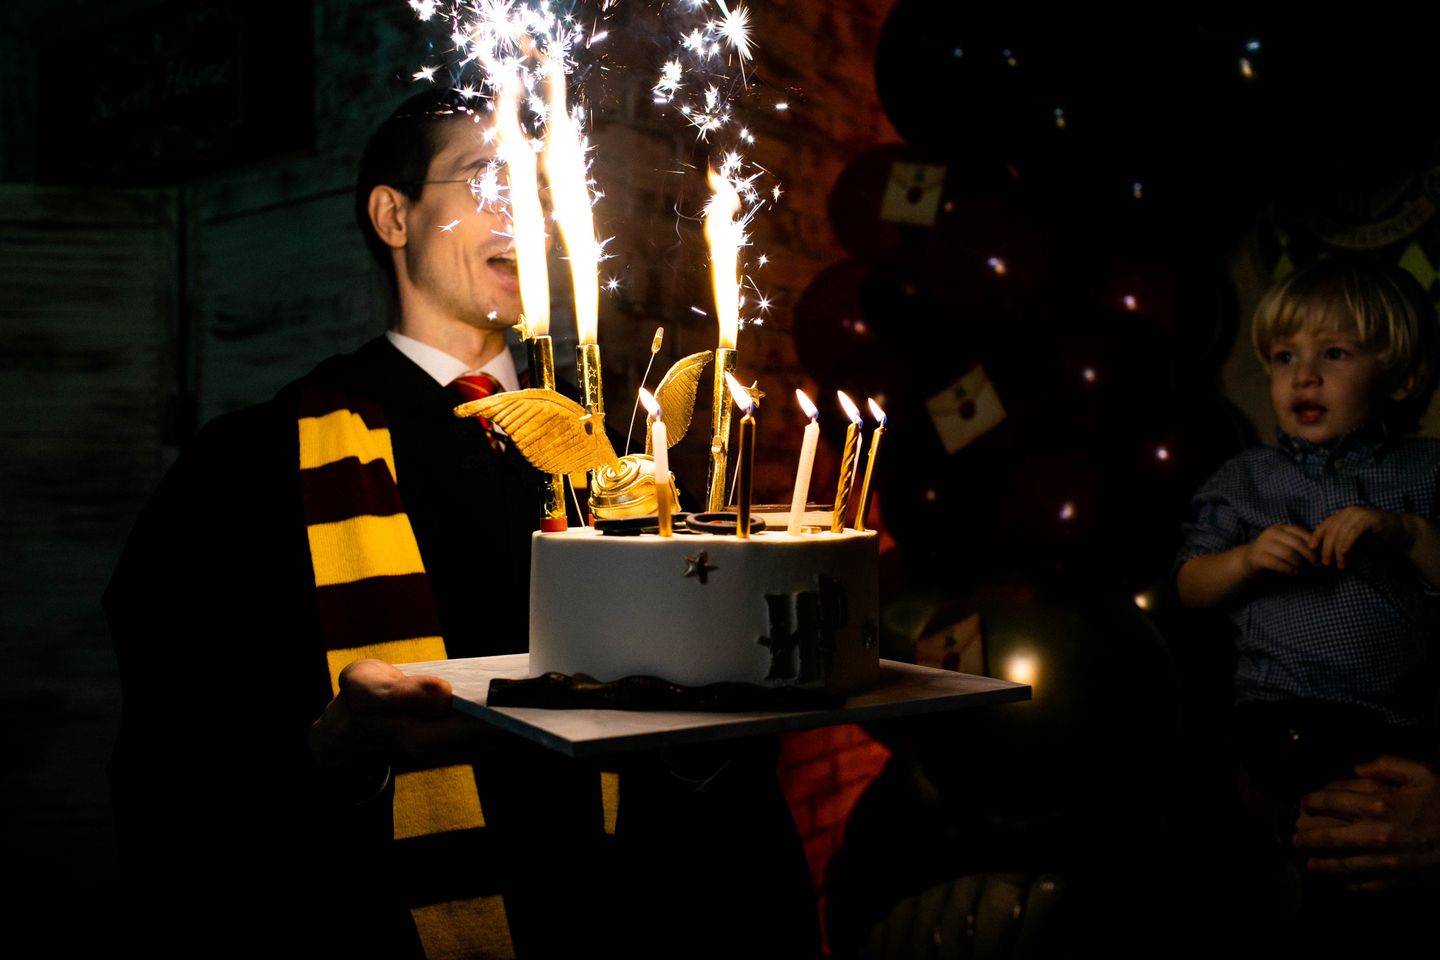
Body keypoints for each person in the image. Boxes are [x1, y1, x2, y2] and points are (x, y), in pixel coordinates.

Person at [105, 88, 606, 958]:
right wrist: (332, 751)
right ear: (393, 216)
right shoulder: (252, 463)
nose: (529, 213)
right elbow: (177, 752)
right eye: (490, 177)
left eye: (540, 187)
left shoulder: (625, 449)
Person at [1174, 255, 1440, 936]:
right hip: (1278, 714)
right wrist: (1244, 560)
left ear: (1403, 379)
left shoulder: (1426, 470)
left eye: (1335, 353)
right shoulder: (1248, 478)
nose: (1304, 376)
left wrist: (1407, 533)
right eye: (1284, 356)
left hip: (1394, 728)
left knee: (1368, 874)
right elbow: (1190, 585)